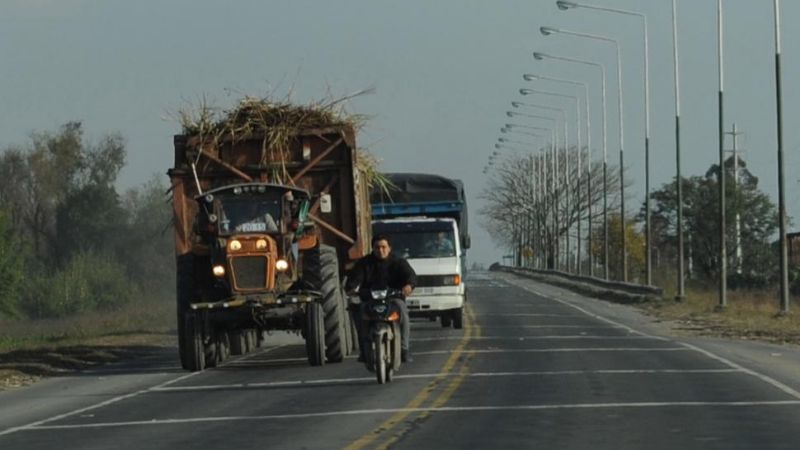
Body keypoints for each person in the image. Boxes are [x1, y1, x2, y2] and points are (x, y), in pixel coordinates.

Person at [345, 234, 416, 363]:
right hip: (369, 300)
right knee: (357, 310)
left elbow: (410, 276)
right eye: (377, 247)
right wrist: (352, 288)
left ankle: (404, 349)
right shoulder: (364, 263)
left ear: (389, 248)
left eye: (383, 247)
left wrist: (408, 285)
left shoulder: (398, 262)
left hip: (393, 299)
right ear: (373, 248)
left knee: (402, 310)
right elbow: (354, 279)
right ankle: (364, 349)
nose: (380, 250)